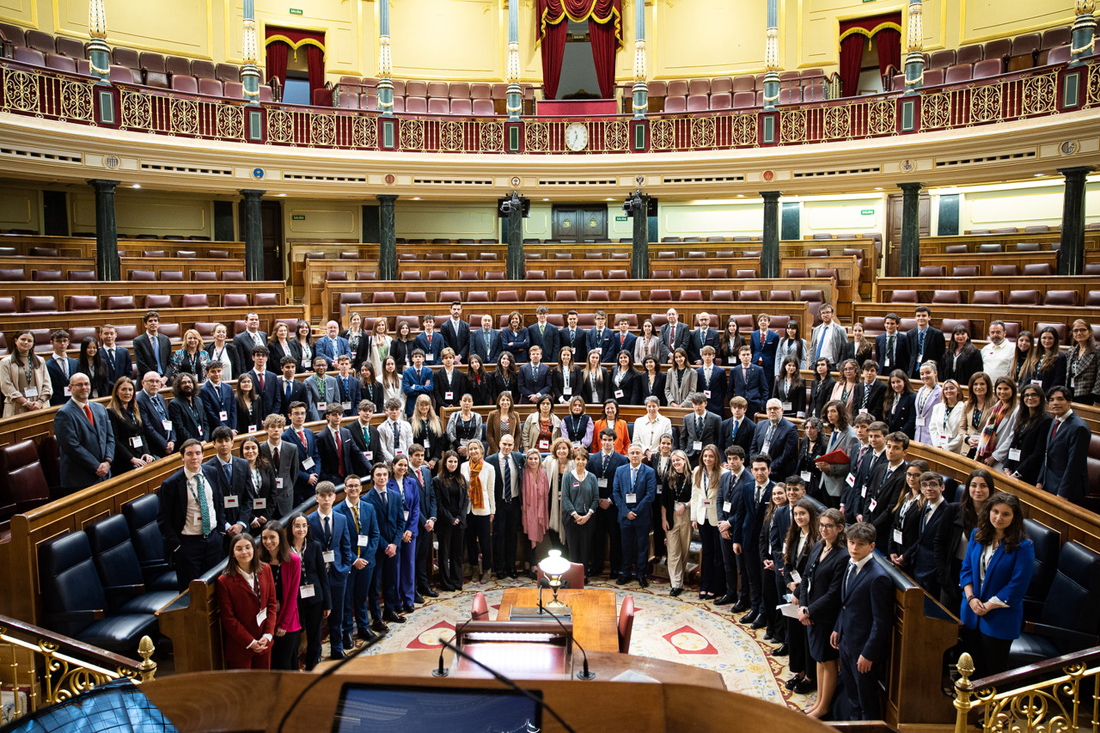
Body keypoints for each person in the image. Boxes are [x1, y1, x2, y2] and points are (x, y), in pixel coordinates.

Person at [960, 492, 1035, 678]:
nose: (998, 518)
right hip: (972, 611)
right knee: (971, 669)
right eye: (995, 511)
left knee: (993, 673)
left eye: (1005, 514)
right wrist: (971, 598)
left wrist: (988, 605)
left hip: (999, 618)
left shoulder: (1023, 546)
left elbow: (1017, 585)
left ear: (1015, 517)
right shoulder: (977, 535)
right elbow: (966, 569)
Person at [831, 522, 893, 721]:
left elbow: (881, 621)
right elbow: (846, 603)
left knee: (866, 701)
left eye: (860, 544)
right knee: (852, 697)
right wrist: (837, 628)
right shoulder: (850, 564)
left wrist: (868, 653)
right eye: (851, 542)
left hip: (863, 650)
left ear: (871, 546)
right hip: (846, 642)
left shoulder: (878, 577)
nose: (854, 548)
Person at [798, 508, 848, 717]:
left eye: (829, 526)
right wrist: (802, 605)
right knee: (818, 658)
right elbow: (806, 578)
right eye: (822, 525)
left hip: (826, 616)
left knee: (828, 661)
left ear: (840, 528)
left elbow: (834, 593)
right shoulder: (819, 546)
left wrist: (809, 610)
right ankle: (818, 702)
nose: (824, 529)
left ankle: (824, 706)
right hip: (811, 613)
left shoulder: (842, 555)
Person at [157, 439, 225, 588]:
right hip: (188, 545)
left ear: (202, 455)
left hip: (213, 540)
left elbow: (219, 502)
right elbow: (163, 518)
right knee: (191, 593)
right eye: (189, 454)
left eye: (197, 453)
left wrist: (220, 531)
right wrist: (177, 547)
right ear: (182, 457)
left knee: (215, 589)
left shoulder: (212, 472)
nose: (194, 457)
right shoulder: (171, 484)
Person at [306, 481, 354, 659]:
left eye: (330, 496)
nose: (326, 499)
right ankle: (316, 652)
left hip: (337, 572)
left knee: (337, 614)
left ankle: (337, 647)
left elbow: (346, 545)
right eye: (323, 496)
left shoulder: (341, 518)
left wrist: (346, 567)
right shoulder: (309, 521)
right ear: (317, 498)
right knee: (317, 617)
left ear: (335, 497)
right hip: (318, 576)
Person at [216, 533, 277, 669]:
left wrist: (267, 635)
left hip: (264, 641)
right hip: (240, 646)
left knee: (262, 684)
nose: (244, 552)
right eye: (239, 549)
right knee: (243, 688)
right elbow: (228, 618)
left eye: (248, 547)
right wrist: (250, 642)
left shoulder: (265, 569)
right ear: (233, 553)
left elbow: (272, 605)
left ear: (254, 550)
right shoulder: (224, 581)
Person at [335, 474, 381, 650]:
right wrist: (355, 560)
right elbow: (339, 540)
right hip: (349, 563)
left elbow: (374, 534)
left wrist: (367, 557)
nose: (354, 489)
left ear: (361, 488)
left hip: (367, 562)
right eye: (350, 486)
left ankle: (363, 627)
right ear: (345, 489)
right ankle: (347, 631)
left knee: (362, 596)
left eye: (356, 486)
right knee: (347, 598)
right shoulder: (338, 511)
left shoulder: (369, 508)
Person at [784, 497, 821, 695]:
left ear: (810, 515)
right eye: (796, 514)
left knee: (807, 637)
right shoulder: (793, 534)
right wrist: (789, 584)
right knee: (794, 635)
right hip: (793, 592)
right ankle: (798, 671)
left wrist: (798, 592)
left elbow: (810, 571)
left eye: (802, 514)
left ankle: (810, 676)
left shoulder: (816, 540)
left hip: (807, 596)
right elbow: (788, 564)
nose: (799, 517)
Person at [898, 472, 954, 600]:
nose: (929, 488)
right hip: (919, 565)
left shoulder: (948, 511)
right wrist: (906, 556)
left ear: (942, 487)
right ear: (921, 489)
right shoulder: (925, 506)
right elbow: (921, 538)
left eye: (933, 485)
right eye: (925, 485)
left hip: (934, 571)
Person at [55, 373, 114, 494]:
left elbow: (110, 438)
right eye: (79, 385)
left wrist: (108, 461)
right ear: (70, 388)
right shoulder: (64, 414)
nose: (84, 387)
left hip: (104, 473)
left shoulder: (100, 408)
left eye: (86, 384)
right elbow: (72, 446)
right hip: (80, 478)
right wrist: (96, 466)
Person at [940, 466, 989, 611]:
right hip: (952, 572)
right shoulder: (954, 509)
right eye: (973, 485)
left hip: (978, 575)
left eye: (983, 486)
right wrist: (943, 575)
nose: (978, 490)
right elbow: (939, 543)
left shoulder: (993, 516)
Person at [734, 454, 775, 628]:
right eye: (756, 469)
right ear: (752, 470)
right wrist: (736, 540)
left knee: (765, 579)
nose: (759, 473)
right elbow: (740, 514)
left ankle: (763, 613)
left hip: (766, 542)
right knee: (752, 577)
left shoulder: (775, 489)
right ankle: (755, 607)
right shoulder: (748, 487)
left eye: (763, 469)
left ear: (769, 470)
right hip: (748, 539)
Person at [287, 511, 331, 671]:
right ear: (291, 528)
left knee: (314, 635)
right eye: (297, 526)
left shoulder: (315, 546)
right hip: (294, 600)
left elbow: (322, 575)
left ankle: (313, 666)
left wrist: (328, 603)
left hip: (315, 598)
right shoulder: (285, 549)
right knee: (295, 635)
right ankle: (294, 666)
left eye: (304, 526)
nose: (301, 529)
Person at [364, 464, 406, 628]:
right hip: (377, 549)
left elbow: (400, 522)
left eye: (384, 475)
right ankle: (376, 618)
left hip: (394, 548)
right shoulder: (366, 499)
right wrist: (385, 545)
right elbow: (369, 529)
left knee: (391, 581)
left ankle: (390, 610)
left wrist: (395, 544)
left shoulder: (395, 496)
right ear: (373, 477)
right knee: (374, 585)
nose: (382, 478)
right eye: (378, 475)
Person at [256, 520, 302, 671]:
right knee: (271, 663)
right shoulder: (259, 561)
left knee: (286, 663)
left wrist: (283, 624)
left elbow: (292, 596)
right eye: (264, 538)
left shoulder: (293, 560)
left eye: (272, 537)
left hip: (287, 621)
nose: (268, 542)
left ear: (280, 538)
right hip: (266, 620)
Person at [1037, 386, 1091, 505]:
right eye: (1051, 400)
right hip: (1050, 483)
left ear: (1069, 402)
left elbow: (1075, 464)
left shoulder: (1079, 427)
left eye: (1060, 399)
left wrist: (1063, 493)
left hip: (1067, 490)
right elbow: (1047, 454)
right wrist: (1040, 481)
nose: (1055, 403)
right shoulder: (1055, 421)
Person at [613, 444, 655, 587]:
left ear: (642, 455)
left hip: (642, 516)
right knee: (626, 547)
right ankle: (625, 573)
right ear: (628, 455)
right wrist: (626, 512)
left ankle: (641, 574)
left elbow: (650, 495)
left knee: (642, 547)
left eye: (638, 453)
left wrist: (636, 511)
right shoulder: (620, 471)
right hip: (625, 516)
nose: (635, 455)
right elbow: (616, 493)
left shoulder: (649, 472)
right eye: (632, 453)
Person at [590, 429, 628, 579]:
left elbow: (623, 485)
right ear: (601, 440)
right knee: (597, 538)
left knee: (615, 538)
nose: (606, 442)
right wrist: (597, 500)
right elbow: (589, 482)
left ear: (614, 441)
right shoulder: (592, 460)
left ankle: (615, 568)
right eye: (604, 439)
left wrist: (610, 500)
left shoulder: (622, 460)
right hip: (597, 505)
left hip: (613, 505)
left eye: (610, 440)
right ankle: (596, 566)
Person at [206, 426, 253, 542]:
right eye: (220, 441)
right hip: (221, 529)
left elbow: (248, 497)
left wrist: (241, 523)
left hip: (241, 526)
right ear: (213, 444)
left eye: (227, 440)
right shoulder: (207, 469)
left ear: (232, 442)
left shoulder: (243, 464)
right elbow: (210, 501)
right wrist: (225, 525)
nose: (224, 444)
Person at [691, 444, 726, 600]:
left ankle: (715, 586)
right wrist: (693, 517)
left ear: (716, 457)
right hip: (702, 516)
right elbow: (695, 495)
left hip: (716, 518)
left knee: (717, 554)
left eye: (711, 456)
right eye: (705, 456)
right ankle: (704, 585)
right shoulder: (698, 471)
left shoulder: (724, 473)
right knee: (706, 552)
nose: (707, 459)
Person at [487, 434, 524, 579]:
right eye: (504, 444)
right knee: (498, 536)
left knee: (512, 536)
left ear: (514, 445)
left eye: (510, 445)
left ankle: (511, 567)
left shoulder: (519, 457)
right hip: (499, 503)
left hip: (514, 502)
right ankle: (499, 568)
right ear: (499, 443)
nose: (507, 447)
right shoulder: (490, 460)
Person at [862, 431, 910, 541]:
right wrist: (865, 521)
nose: (891, 451)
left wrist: (872, 527)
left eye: (896, 448)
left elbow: (891, 508)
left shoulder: (904, 475)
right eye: (889, 446)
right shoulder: (881, 467)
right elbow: (870, 494)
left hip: (883, 529)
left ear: (905, 452)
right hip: (869, 523)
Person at [388, 455, 420, 613]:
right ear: (393, 466)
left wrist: (410, 530)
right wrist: (398, 533)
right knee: (396, 567)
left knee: (409, 565)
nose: (403, 468)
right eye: (400, 465)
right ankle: (397, 600)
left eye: (405, 465)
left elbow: (416, 508)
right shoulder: (387, 483)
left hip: (409, 532)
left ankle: (409, 599)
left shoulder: (412, 482)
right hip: (395, 533)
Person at [434, 451, 469, 591]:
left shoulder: (461, 478)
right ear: (445, 463)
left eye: (455, 462)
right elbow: (438, 503)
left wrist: (460, 518)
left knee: (457, 552)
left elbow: (466, 500)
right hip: (445, 521)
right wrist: (450, 519)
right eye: (450, 461)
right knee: (444, 553)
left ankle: (457, 580)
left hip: (459, 521)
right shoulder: (438, 480)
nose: (453, 464)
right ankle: (446, 582)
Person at [461, 440, 495, 583]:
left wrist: (492, 510)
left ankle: (487, 570)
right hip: (468, 510)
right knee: (470, 542)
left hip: (483, 509)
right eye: (471, 449)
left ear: (481, 450)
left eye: (476, 449)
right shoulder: (463, 467)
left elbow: (491, 490)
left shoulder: (488, 467)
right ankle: (475, 569)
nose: (473, 451)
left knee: (485, 542)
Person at [760, 482, 790, 645]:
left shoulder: (788, 514)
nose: (777, 496)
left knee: (780, 600)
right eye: (775, 494)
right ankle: (770, 628)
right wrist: (764, 557)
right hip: (768, 560)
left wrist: (777, 561)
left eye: (780, 493)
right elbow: (763, 537)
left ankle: (779, 633)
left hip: (780, 562)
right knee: (768, 596)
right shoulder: (770, 513)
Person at [106, 377, 154, 476]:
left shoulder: (134, 409)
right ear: (116, 392)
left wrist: (146, 453)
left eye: (130, 390)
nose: (127, 393)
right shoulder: (111, 412)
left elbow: (141, 434)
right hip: (124, 460)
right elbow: (115, 440)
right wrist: (131, 459)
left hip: (139, 455)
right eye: (123, 389)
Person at [562, 446, 598, 577]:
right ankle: (572, 576)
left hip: (588, 518)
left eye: (583, 459)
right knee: (573, 549)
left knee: (585, 548)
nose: (580, 462)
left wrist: (588, 515)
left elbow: (595, 498)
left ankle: (583, 576)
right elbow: (565, 498)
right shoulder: (568, 477)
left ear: (587, 461)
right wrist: (575, 515)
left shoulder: (592, 477)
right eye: (578, 459)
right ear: (574, 460)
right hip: (571, 518)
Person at [663, 449, 694, 596]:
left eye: (678, 460)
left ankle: (679, 578)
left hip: (687, 514)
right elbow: (663, 502)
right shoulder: (669, 477)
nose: (676, 463)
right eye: (673, 461)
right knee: (673, 550)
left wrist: (686, 505)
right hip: (672, 515)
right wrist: (664, 519)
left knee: (684, 549)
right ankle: (676, 583)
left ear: (685, 460)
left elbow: (697, 498)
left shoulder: (693, 477)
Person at [1006, 384, 1050, 484]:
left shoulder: (1045, 421)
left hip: (1028, 472)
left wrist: (1018, 473)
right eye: (1026, 395)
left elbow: (1038, 453)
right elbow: (1013, 443)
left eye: (1034, 395)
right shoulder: (1022, 416)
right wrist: (1007, 466)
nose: (1030, 398)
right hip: (1014, 468)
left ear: (1041, 398)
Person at [817, 400, 858, 506]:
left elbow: (851, 466)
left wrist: (829, 468)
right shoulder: (835, 430)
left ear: (841, 413)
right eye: (828, 412)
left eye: (833, 411)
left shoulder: (851, 435)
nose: (829, 415)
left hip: (838, 487)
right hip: (826, 483)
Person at [1, 330, 50, 416]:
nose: (26, 342)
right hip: (16, 407)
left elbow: (47, 385)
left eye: (29, 341)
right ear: (16, 341)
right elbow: (6, 386)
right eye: (23, 339)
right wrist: (25, 403)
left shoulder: (40, 360)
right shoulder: (6, 362)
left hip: (39, 407)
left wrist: (40, 402)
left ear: (33, 343)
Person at [976, 377, 1020, 471]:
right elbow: (986, 430)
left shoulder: (1017, 410)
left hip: (1001, 458)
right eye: (999, 388)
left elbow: (1012, 437)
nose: (1002, 392)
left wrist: (995, 457)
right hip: (986, 454)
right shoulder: (996, 407)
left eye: (1006, 389)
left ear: (1013, 390)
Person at [751, 399, 799, 481]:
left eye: (775, 408)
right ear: (766, 411)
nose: (772, 411)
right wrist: (756, 464)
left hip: (777, 470)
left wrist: (767, 467)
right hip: (759, 466)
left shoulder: (790, 428)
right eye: (769, 409)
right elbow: (753, 448)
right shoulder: (760, 425)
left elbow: (786, 455)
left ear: (782, 410)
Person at [283, 401, 320, 504]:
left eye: (302, 413)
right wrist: (307, 477)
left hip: (313, 481)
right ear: (289, 416)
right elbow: (287, 465)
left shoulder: (309, 432)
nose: (300, 416)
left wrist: (315, 474)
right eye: (296, 413)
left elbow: (316, 456)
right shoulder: (285, 436)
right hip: (298, 484)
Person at [542, 438, 574, 552]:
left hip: (569, 504)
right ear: (555, 450)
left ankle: (568, 559)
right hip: (552, 503)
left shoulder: (573, 463)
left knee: (568, 531)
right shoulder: (549, 461)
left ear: (569, 450)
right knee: (554, 532)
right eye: (559, 448)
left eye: (564, 448)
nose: (561, 451)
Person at [520, 448, 551, 566]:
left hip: (540, 509)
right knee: (528, 537)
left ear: (539, 459)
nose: (533, 461)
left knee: (535, 536)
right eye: (530, 459)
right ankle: (531, 565)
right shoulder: (523, 473)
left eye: (535, 458)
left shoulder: (543, 473)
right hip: (526, 510)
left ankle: (530, 564)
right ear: (526, 460)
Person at [241, 436, 276, 532]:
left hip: (266, 517)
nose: (250, 451)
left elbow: (273, 492)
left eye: (253, 448)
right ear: (242, 451)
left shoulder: (267, 466)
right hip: (248, 520)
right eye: (247, 448)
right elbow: (239, 498)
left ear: (258, 450)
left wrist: (266, 515)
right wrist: (252, 518)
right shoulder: (238, 470)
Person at [959, 372, 995, 459]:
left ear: (988, 386)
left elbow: (995, 430)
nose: (978, 387)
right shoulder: (968, 404)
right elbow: (961, 428)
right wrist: (967, 439)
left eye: (982, 384)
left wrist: (982, 441)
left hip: (985, 449)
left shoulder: (995, 405)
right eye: (975, 384)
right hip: (968, 448)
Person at [316, 404, 355, 484]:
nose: (338, 417)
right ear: (327, 417)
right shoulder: (321, 436)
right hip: (330, 478)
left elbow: (356, 451)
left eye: (340, 414)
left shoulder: (346, 432)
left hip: (347, 475)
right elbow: (319, 459)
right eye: (334, 415)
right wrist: (324, 477)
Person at [682, 392, 721, 465]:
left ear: (705, 403)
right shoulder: (687, 418)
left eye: (700, 404)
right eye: (695, 404)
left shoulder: (716, 418)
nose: (698, 407)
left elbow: (719, 438)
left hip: (708, 455)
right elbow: (683, 437)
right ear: (692, 404)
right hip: (691, 454)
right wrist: (683, 452)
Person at [907, 306, 946, 379]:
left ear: (929, 317)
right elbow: (909, 353)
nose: (921, 318)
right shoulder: (910, 334)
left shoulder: (937, 334)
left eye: (924, 315)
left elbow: (941, 355)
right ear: (915, 318)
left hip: (929, 371)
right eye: (918, 316)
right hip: (914, 369)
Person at [1067, 319, 1100, 405]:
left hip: (1089, 396)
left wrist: (1097, 398)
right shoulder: (1072, 351)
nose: (1079, 333)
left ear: (1089, 332)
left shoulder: (1097, 350)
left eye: (1083, 330)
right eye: (1076, 330)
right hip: (1071, 392)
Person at [730, 345, 768, 418]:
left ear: (751, 356)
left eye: (748, 354)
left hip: (754, 404)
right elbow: (730, 390)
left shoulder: (758, 370)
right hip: (739, 405)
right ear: (739, 356)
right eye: (743, 355)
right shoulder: (734, 371)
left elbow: (764, 389)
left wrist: (762, 404)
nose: (746, 357)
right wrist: (732, 403)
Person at [929, 379, 965, 452]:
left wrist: (946, 447)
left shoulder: (964, 408)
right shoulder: (937, 407)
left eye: (952, 388)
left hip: (954, 449)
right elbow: (933, 428)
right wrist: (937, 445)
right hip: (937, 447)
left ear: (958, 390)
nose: (948, 391)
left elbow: (962, 432)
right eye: (945, 389)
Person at [199, 362, 236, 434]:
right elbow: (209, 412)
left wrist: (233, 427)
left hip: (230, 428)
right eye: (213, 371)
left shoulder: (228, 388)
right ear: (207, 373)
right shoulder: (204, 390)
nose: (216, 374)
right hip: (215, 429)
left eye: (219, 371)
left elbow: (233, 409)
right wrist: (226, 429)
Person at [409, 394, 445, 467]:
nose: (424, 407)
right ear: (417, 406)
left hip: (433, 460)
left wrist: (434, 459)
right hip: (418, 460)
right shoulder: (411, 421)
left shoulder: (436, 420)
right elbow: (411, 442)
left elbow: (440, 440)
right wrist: (421, 459)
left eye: (426, 405)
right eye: (421, 405)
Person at [809, 304, 847, 370]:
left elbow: (845, 349)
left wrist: (840, 364)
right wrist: (810, 363)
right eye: (823, 313)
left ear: (832, 314)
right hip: (816, 365)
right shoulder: (816, 330)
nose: (825, 315)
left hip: (832, 365)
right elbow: (812, 347)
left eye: (827, 312)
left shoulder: (840, 330)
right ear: (820, 315)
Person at [45, 330, 78, 406]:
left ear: (68, 342)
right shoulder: (47, 365)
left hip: (74, 400)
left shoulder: (75, 363)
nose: (62, 344)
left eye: (64, 341)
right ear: (52, 343)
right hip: (57, 402)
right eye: (58, 341)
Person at [913, 361, 943, 445]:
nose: (924, 376)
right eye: (922, 374)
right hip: (918, 433)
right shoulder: (920, 390)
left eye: (928, 373)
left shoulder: (940, 392)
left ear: (935, 373)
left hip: (931, 436)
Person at [133, 312, 171, 378]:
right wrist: (155, 378)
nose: (153, 323)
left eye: (155, 321)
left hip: (164, 380)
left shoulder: (165, 339)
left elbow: (171, 362)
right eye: (150, 321)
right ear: (145, 324)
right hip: (146, 379)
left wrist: (165, 377)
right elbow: (140, 364)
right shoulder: (138, 341)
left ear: (158, 324)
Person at [798, 417, 826, 502]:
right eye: (807, 428)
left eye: (812, 428)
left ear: (818, 430)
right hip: (803, 478)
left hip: (815, 481)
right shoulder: (803, 442)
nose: (809, 430)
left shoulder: (823, 446)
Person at [485, 391, 520, 455]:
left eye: (507, 400)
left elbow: (518, 434)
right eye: (503, 400)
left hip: (510, 451)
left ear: (511, 402)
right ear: (499, 402)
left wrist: (513, 450)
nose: (505, 402)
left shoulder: (515, 415)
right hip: (494, 452)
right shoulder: (492, 414)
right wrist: (497, 452)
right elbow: (489, 435)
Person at [1033, 327, 1067, 392]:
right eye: (1044, 338)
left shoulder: (1060, 357)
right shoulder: (1035, 355)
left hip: (1049, 393)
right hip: (1035, 391)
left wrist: (1049, 394)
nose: (1047, 341)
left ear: (1055, 340)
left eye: (1050, 338)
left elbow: (1058, 380)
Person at [884, 369, 916, 437]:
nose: (896, 385)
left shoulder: (911, 397)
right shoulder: (889, 396)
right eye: (893, 382)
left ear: (904, 382)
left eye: (898, 381)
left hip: (904, 436)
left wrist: (899, 435)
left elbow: (911, 420)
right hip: (890, 435)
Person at [379, 397, 413, 462]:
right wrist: (393, 461)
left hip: (405, 460)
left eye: (397, 409)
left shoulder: (406, 425)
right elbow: (382, 448)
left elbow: (410, 444)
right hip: (389, 461)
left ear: (400, 410)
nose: (394, 412)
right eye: (391, 409)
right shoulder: (382, 427)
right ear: (387, 410)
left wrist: (405, 459)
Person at [98, 325, 132, 390]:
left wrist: (122, 385)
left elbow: (129, 373)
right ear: (100, 335)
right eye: (106, 334)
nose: (109, 336)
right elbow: (100, 376)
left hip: (123, 388)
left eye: (111, 333)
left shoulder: (124, 352)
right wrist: (115, 386)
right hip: (106, 390)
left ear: (116, 335)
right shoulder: (98, 354)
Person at [695, 345, 726, 415]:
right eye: (705, 354)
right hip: (702, 404)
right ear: (702, 356)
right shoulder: (697, 372)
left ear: (714, 356)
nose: (707, 357)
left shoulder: (720, 371)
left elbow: (724, 389)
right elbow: (697, 388)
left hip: (717, 404)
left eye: (709, 354)